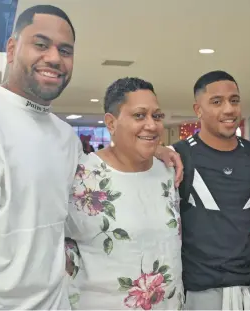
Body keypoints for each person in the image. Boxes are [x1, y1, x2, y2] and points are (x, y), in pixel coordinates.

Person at [0, 5, 183, 309]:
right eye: (40, 44)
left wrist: (152, 146)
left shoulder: (65, 137)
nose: (54, 58)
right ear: (12, 49)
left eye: (65, 50)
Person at [64, 77, 184, 310]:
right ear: (111, 123)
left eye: (156, 116)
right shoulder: (80, 176)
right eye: (139, 115)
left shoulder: (168, 171)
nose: (151, 124)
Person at [171, 70, 250, 310]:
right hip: (198, 291)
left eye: (235, 100)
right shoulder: (177, 157)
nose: (229, 109)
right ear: (198, 109)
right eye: (217, 102)